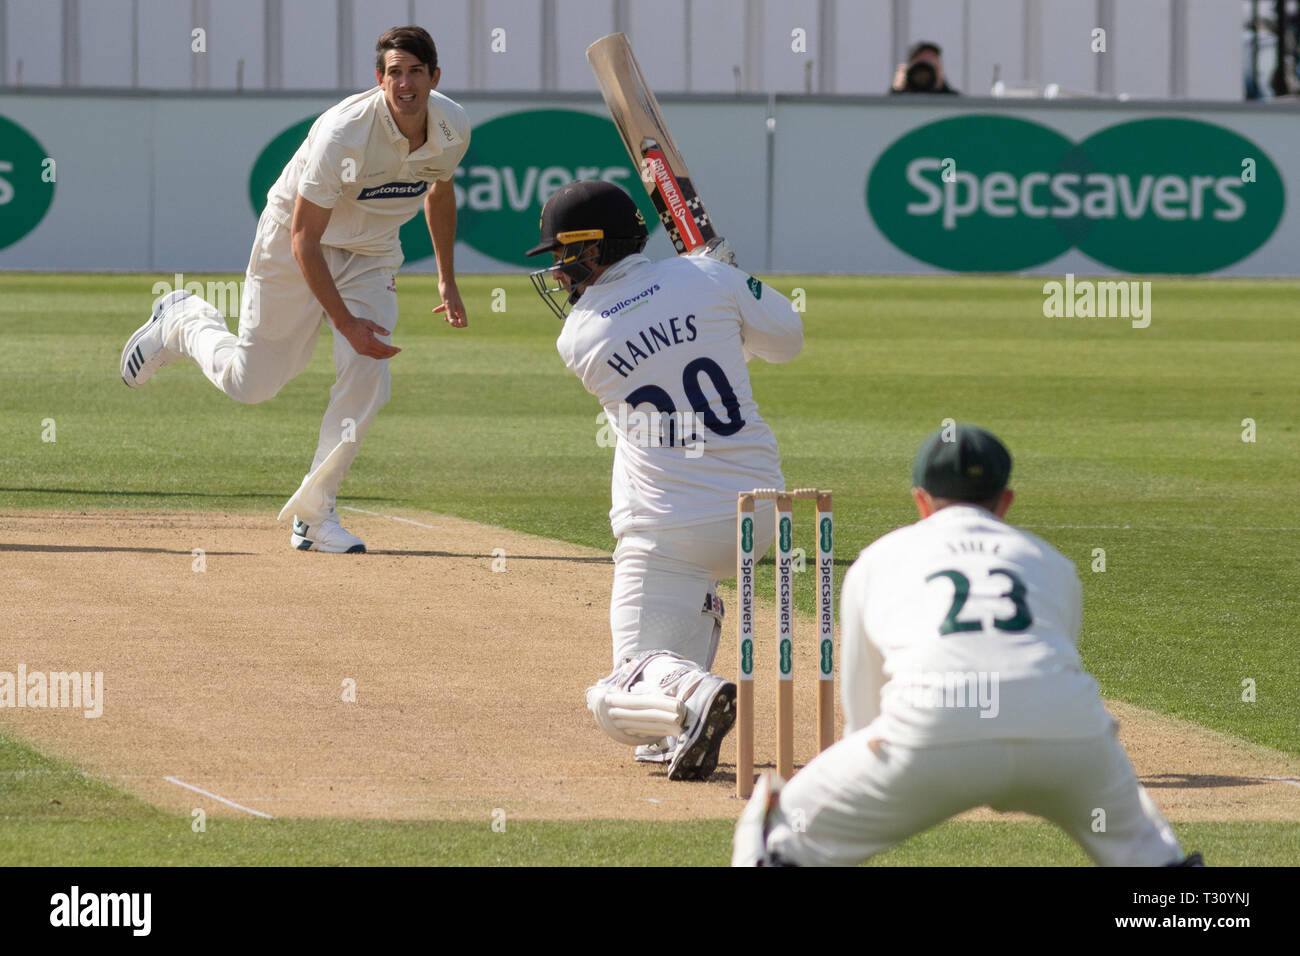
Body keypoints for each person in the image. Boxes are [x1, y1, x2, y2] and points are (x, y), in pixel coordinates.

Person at [733, 424, 1202, 866]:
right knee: (1156, 860)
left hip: (928, 737)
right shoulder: (1051, 561)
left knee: (774, 828)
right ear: (1006, 502)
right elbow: (1057, 661)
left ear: (920, 500)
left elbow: (864, 714)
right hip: (1070, 740)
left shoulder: (878, 560)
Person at [119, 25, 471, 553]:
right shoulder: (344, 132)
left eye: (415, 72)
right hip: (297, 241)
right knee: (252, 384)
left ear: (434, 77)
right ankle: (183, 322)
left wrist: (446, 274)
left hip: (372, 254)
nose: (405, 84)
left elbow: (439, 192)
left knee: (369, 373)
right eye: (394, 73)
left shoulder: (452, 126)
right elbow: (305, 238)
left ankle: (314, 512)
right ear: (379, 80)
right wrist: (346, 324)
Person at [526, 180, 803, 782]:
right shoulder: (708, 278)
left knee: (613, 692)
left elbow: (664, 359)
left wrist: (714, 287)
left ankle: (693, 692)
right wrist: (730, 279)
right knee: (651, 698)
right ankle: (679, 721)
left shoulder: (579, 336)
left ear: (592, 250)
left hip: (668, 531)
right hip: (762, 516)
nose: (556, 270)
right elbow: (786, 342)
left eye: (560, 255)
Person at [890, 41, 959, 94]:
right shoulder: (898, 98)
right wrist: (898, 85)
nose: (924, 74)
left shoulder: (955, 102)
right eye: (920, 66)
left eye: (931, 67)